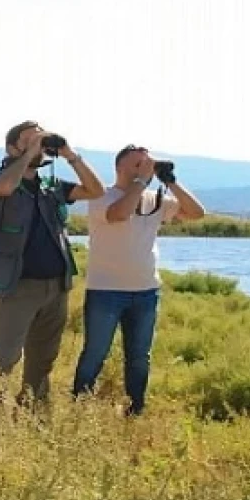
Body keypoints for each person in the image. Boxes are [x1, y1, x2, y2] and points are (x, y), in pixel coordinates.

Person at [0, 121, 105, 413]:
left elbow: (95, 190)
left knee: (44, 357)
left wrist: (69, 153)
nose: (39, 145)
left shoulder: (50, 186)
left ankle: (34, 413)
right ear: (11, 147)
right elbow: (3, 187)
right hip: (18, 285)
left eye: (41, 141)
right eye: (29, 140)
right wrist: (28, 156)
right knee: (3, 356)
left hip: (56, 285)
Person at [71, 145, 207, 416]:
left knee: (139, 359)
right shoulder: (101, 195)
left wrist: (170, 181)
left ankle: (135, 411)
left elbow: (196, 213)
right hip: (105, 290)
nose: (143, 169)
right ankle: (78, 409)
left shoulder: (154, 198)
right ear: (119, 168)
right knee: (95, 354)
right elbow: (119, 214)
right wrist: (141, 182)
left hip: (145, 292)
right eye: (137, 164)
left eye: (147, 164)